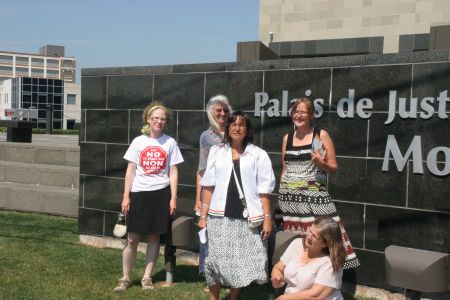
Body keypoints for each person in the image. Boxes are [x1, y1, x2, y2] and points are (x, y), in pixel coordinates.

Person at [198, 111, 275, 300]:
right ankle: (213, 297)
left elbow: (264, 190)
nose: (237, 128)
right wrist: (202, 215)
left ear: (247, 129)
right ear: (227, 128)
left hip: (246, 219)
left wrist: (267, 219)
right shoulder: (217, 151)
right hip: (218, 216)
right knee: (214, 260)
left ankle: (233, 298)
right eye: (233, 124)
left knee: (239, 263)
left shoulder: (258, 155)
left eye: (242, 125)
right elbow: (208, 185)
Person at [277, 97, 359, 269]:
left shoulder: (319, 135)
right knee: (298, 241)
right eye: (295, 111)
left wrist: (321, 164)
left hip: (315, 199)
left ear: (311, 115)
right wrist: (281, 195)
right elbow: (285, 169)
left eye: (303, 112)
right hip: (291, 201)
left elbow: (333, 167)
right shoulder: (287, 138)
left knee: (324, 238)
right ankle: (300, 275)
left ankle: (329, 277)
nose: (298, 115)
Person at [114, 102, 184, 292]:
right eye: (155, 118)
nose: (159, 121)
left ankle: (147, 278)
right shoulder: (138, 142)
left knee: (154, 237)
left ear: (166, 121)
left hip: (161, 194)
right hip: (139, 193)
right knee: (132, 238)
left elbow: (174, 172)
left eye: (162, 119)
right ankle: (126, 277)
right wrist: (126, 196)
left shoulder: (170, 142)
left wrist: (173, 197)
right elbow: (130, 171)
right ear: (148, 119)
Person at [193, 95, 232, 278]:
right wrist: (198, 200)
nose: (223, 113)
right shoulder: (206, 137)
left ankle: (227, 274)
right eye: (218, 110)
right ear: (211, 112)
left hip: (230, 191)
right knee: (207, 235)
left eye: (225, 110)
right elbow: (201, 170)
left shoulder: (237, 132)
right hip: (210, 192)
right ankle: (209, 274)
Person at [271, 217, 347, 300]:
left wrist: (283, 298)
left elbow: (315, 295)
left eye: (314, 236)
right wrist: (276, 277)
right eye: (310, 231)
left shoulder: (331, 263)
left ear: (325, 244)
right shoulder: (297, 244)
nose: (309, 237)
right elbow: (278, 267)